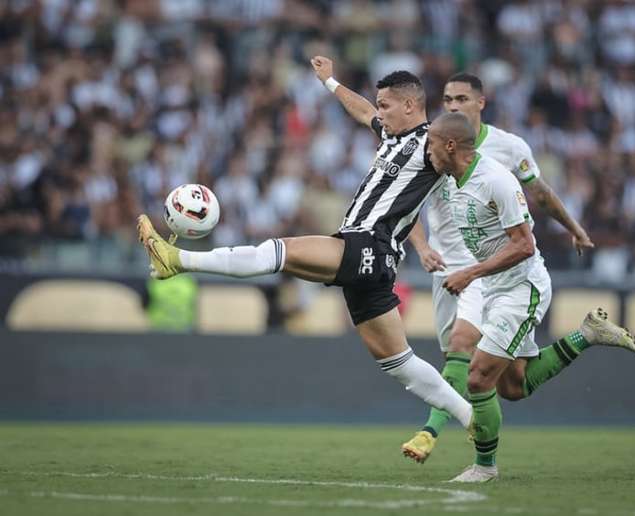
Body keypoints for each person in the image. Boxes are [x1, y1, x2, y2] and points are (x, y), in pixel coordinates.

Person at [136, 57, 473, 432]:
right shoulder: (393, 136)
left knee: (280, 252)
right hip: (376, 261)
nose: (379, 112)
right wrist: (330, 82)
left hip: (369, 245)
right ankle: (474, 419)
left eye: (386, 105)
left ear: (410, 105)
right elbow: (362, 111)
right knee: (401, 365)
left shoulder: (430, 141)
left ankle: (178, 259)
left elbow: (461, 158)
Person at [424, 112, 635, 482]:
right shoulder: (451, 181)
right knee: (514, 386)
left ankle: (484, 467)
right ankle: (587, 334)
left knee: (478, 378)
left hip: (522, 289)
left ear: (450, 146)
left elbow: (524, 245)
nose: (427, 152)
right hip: (495, 288)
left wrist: (469, 273)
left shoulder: (496, 180)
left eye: (431, 144)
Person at [401, 73, 597, 464]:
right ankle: (585, 336)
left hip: (488, 271)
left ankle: (431, 432)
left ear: (481, 102)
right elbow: (407, 208)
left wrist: (573, 227)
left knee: (463, 350)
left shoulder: (508, 150)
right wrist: (422, 248)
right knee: (513, 384)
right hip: (446, 272)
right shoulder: (434, 146)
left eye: (460, 98)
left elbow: (540, 193)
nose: (453, 105)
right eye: (447, 98)